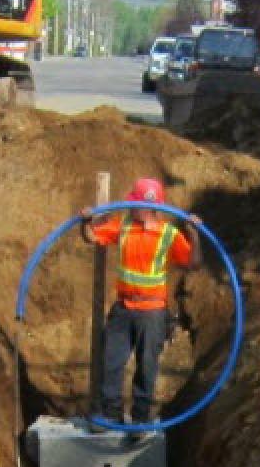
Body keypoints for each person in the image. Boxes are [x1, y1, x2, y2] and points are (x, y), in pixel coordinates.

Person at [80, 178, 202, 432]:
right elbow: (91, 237)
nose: (131, 208)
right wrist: (86, 221)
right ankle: (111, 415)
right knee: (111, 363)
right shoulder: (125, 226)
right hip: (124, 309)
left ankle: (140, 419)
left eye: (136, 204)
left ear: (150, 207)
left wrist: (194, 235)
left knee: (147, 368)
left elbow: (193, 263)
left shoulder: (169, 234)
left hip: (153, 312)